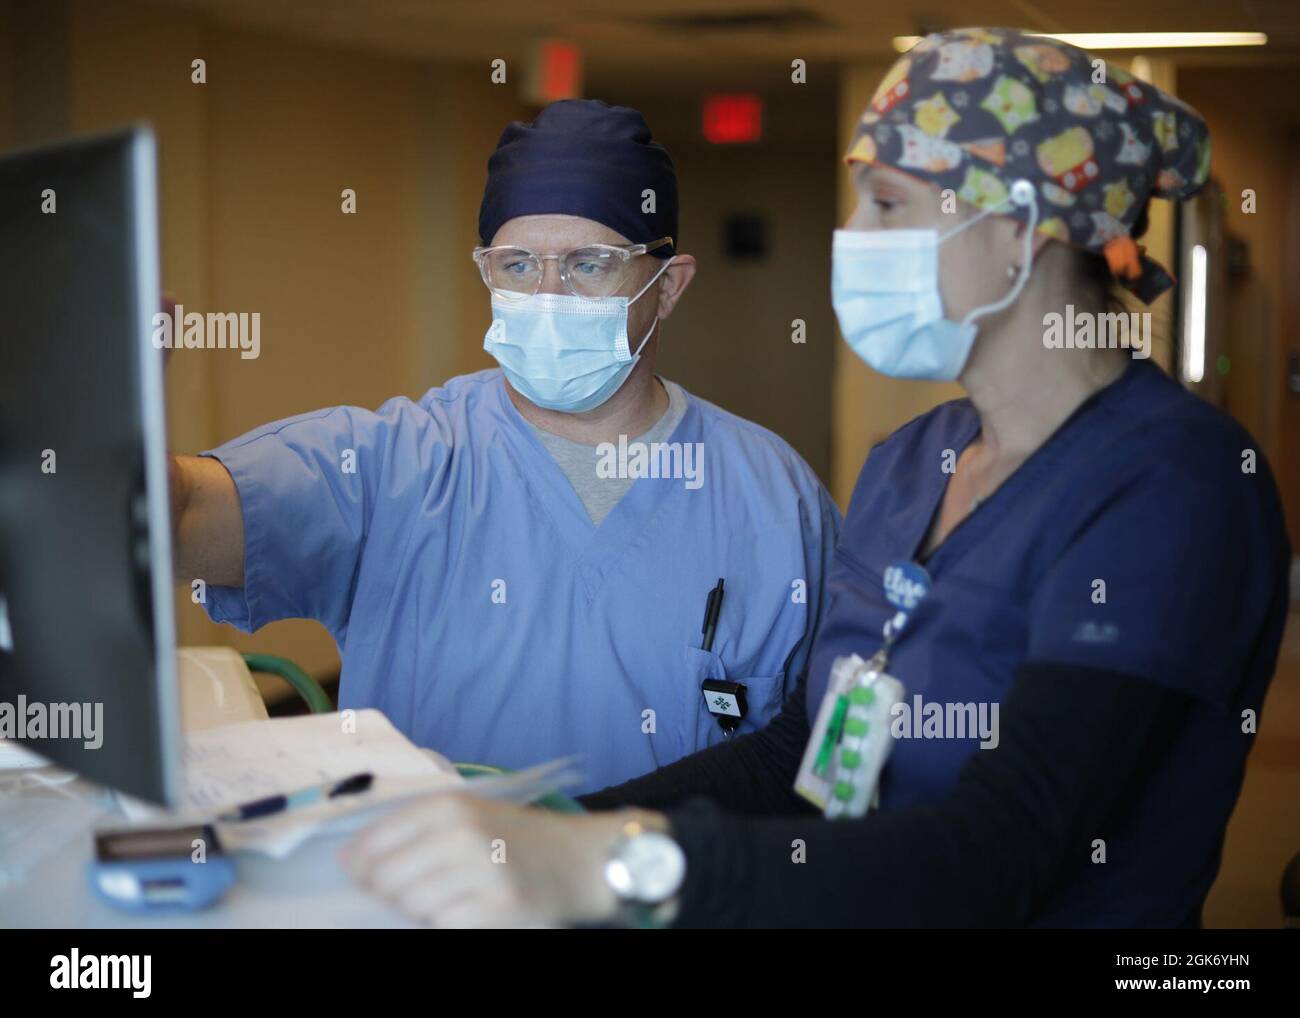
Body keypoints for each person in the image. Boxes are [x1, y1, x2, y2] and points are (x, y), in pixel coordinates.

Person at [342, 29, 1291, 928]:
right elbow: (812, 747)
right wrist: (559, 829)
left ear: (1020, 230)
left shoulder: (1174, 486)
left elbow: (1007, 850)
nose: (852, 235)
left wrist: (618, 865)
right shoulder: (914, 463)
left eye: (885, 203)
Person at [169, 99, 840, 794]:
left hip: (673, 895)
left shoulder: (774, 499)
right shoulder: (394, 466)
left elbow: (824, 758)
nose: (548, 295)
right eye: (517, 266)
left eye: (590, 264)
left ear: (667, 286)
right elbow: (178, 515)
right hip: (429, 897)